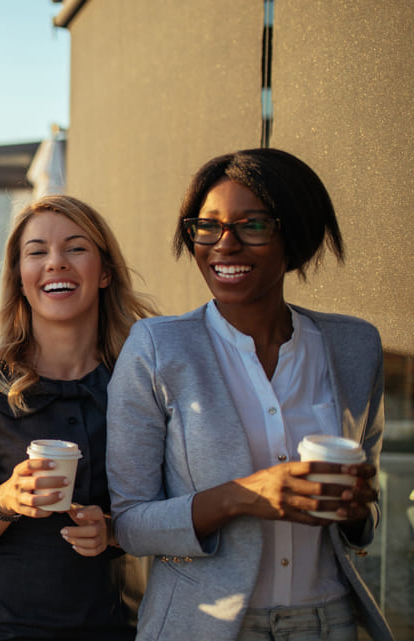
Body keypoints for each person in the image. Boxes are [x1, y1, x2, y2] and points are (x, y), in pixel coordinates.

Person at [107, 148, 394, 641]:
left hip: (328, 621)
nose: (225, 244)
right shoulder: (157, 348)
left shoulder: (354, 345)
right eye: (207, 226)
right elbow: (131, 524)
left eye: (253, 225)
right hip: (203, 623)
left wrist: (357, 509)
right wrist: (245, 497)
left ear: (294, 234)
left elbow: (365, 515)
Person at [0, 194, 154, 640]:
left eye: (75, 248)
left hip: (125, 623)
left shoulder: (143, 379)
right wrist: (4, 500)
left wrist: (114, 531)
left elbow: (170, 507)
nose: (55, 262)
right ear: (20, 278)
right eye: (37, 252)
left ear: (106, 272)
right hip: (7, 626)